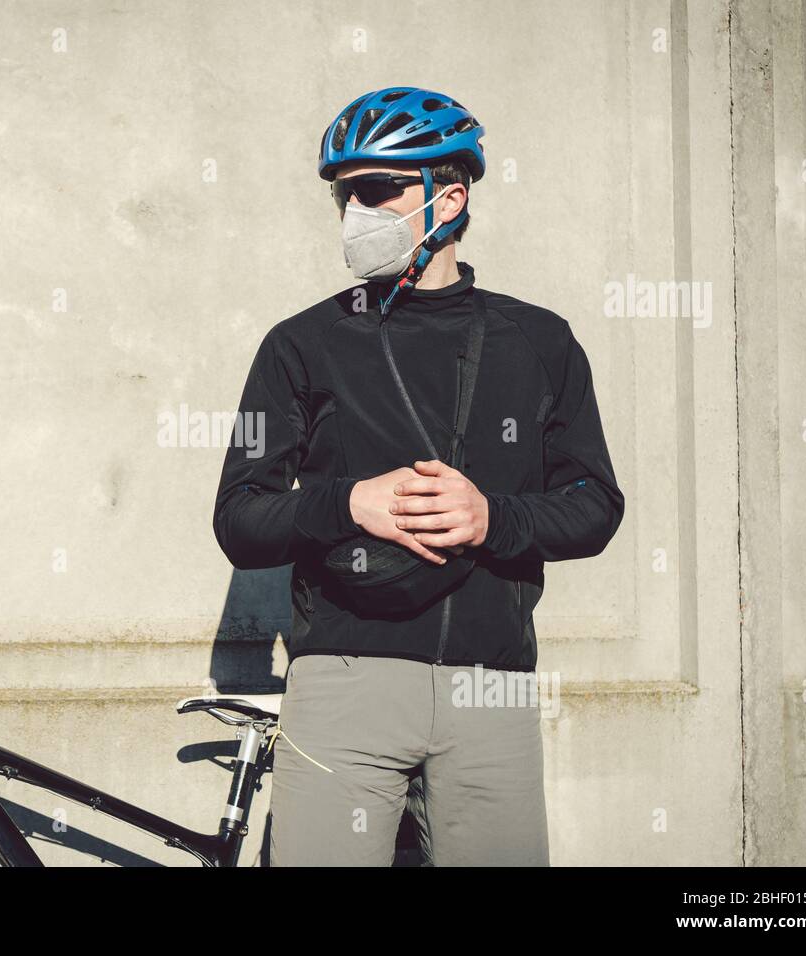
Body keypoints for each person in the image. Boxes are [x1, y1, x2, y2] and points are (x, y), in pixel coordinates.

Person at [213, 87, 625, 866]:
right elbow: (239, 517)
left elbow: (595, 506)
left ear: (450, 196)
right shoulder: (302, 344)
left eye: (376, 191)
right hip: (344, 679)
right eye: (345, 196)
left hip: (491, 684)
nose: (354, 215)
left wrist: (492, 518)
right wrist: (347, 503)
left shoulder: (539, 341)